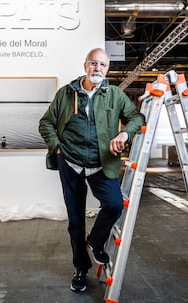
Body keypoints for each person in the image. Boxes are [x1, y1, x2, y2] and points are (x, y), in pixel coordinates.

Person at [38, 48, 145, 292]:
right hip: (71, 163)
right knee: (75, 221)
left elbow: (136, 117)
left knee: (114, 204)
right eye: (94, 63)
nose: (98, 68)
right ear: (86, 65)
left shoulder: (115, 94)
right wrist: (56, 148)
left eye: (103, 65)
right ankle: (80, 269)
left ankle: (96, 241)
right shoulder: (66, 93)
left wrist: (124, 133)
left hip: (101, 164)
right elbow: (46, 122)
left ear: (107, 69)